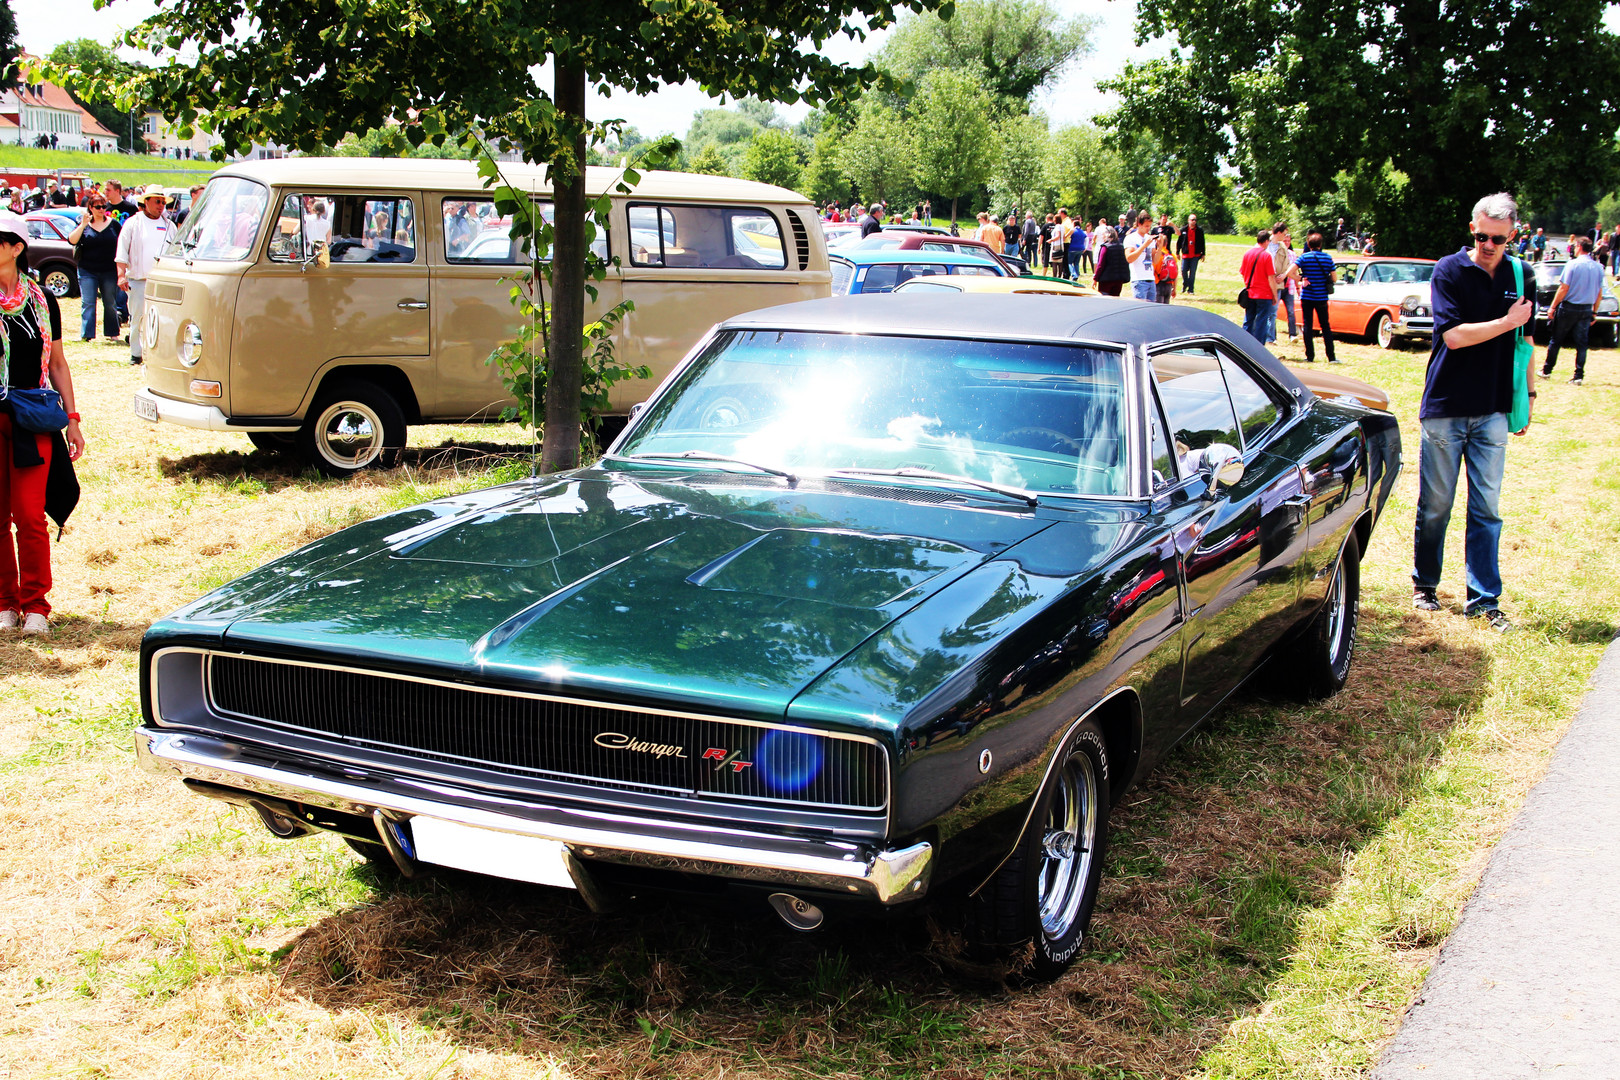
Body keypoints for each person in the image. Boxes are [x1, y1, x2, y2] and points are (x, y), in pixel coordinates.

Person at [1412, 192, 1534, 631]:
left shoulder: (1521, 275)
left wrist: (1529, 397)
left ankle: (1483, 600)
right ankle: (1425, 585)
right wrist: (1506, 322)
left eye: (1497, 239)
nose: (1488, 245)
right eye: (1482, 236)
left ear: (1512, 235)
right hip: (1446, 405)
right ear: (1472, 229)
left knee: (1487, 507)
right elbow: (1454, 337)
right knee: (1437, 504)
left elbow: (1526, 344)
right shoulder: (1449, 270)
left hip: (1494, 409)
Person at [0, 210, 87, 637]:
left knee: (31, 516)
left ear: (16, 248)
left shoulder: (43, 300)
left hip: (33, 416)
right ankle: (5, 605)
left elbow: (56, 362)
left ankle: (36, 605)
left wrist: (73, 418)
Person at [114, 187, 174, 366]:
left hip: (162, 280)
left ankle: (157, 353)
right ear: (146, 202)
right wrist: (121, 275)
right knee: (137, 317)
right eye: (157, 202)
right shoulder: (133, 223)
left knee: (162, 318)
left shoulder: (168, 225)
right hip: (139, 280)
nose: (161, 206)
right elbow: (122, 250)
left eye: (163, 202)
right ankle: (136, 352)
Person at [1541, 234, 1601, 385]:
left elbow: (1563, 288)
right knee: (1582, 343)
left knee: (1556, 340)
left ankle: (1547, 370)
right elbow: (1599, 293)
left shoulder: (1572, 264)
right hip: (1586, 308)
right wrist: (1595, 311)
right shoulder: (1598, 267)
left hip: (1569, 307)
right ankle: (1578, 375)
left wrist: (1553, 307)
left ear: (1579, 247)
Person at [67, 196, 121, 343]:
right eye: (98, 207)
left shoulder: (114, 225)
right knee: (88, 302)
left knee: (110, 302)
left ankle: (113, 333)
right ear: (90, 208)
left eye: (104, 207)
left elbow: (122, 244)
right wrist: (83, 225)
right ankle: (86, 334)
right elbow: (72, 240)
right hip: (87, 269)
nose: (101, 210)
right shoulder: (84, 225)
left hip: (109, 269)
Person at [1295, 232, 1338, 363]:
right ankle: (1331, 356)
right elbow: (1334, 278)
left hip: (1307, 296)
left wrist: (1301, 278)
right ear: (1320, 245)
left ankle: (1309, 356)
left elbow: (1290, 271)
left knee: (1308, 325)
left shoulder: (1304, 258)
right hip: (1321, 297)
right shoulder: (1327, 258)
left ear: (1309, 244)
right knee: (1325, 326)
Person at [1240, 229, 1278, 343]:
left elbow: (1243, 272)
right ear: (1266, 241)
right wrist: (1274, 295)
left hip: (1250, 292)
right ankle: (1259, 344)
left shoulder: (1247, 253)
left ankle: (1244, 342)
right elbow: (1271, 277)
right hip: (1264, 294)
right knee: (1262, 321)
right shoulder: (1267, 256)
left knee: (1248, 319)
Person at [1271, 224, 1299, 341]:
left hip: (1286, 286)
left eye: (1288, 240)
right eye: (1284, 237)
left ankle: (1292, 334)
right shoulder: (1271, 246)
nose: (1286, 241)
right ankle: (1271, 337)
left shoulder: (1290, 252)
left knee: (1290, 312)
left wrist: (1284, 276)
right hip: (1274, 283)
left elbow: (1292, 269)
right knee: (1273, 312)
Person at [1125, 211, 1156, 301]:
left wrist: (1160, 245)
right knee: (1141, 308)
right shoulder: (1131, 238)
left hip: (1151, 278)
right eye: (1146, 226)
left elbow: (1155, 261)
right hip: (1139, 279)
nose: (1148, 228)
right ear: (1139, 224)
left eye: (1149, 226)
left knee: (1151, 309)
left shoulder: (1150, 239)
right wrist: (1144, 246)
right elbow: (1129, 258)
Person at [1092, 226, 1128, 295]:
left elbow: (1100, 265)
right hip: (1119, 279)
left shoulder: (1105, 247)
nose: (1102, 236)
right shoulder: (1121, 246)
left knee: (1105, 301)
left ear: (1108, 234)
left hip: (1106, 279)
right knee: (1116, 301)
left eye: (1103, 234)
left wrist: (1095, 279)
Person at [1176, 213, 1205, 294]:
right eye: (1192, 220)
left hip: (1195, 254)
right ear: (1188, 220)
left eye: (1195, 220)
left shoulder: (1199, 230)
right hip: (1186, 254)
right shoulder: (1183, 230)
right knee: (1183, 270)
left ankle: (1191, 289)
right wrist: (1177, 252)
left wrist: (1203, 253)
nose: (1194, 221)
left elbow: (1202, 242)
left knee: (1192, 272)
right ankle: (1185, 284)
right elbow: (1179, 242)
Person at [1152, 234, 1177, 303]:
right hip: (1169, 284)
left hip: (1158, 284)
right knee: (1165, 307)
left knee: (1158, 309)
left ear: (1157, 243)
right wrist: (1174, 288)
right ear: (1166, 243)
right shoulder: (1171, 255)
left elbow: (1153, 271)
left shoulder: (1157, 255)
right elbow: (1175, 273)